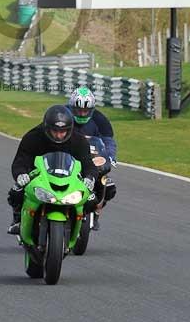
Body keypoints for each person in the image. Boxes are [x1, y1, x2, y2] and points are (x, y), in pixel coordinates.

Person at [7, 104, 98, 235]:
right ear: (46, 128)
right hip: (40, 178)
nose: (59, 135)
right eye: (55, 131)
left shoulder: (79, 141)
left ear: (69, 129)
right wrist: (21, 174)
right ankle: (18, 219)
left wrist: (90, 177)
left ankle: (81, 221)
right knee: (16, 192)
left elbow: (88, 164)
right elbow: (20, 160)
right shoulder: (33, 137)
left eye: (63, 131)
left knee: (91, 200)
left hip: (70, 179)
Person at [67, 87, 118, 230]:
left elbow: (109, 141)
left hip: (92, 160)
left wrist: (110, 157)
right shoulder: (62, 114)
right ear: (72, 107)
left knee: (109, 187)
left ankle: (96, 211)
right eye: (79, 110)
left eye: (86, 110)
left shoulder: (100, 120)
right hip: (67, 159)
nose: (82, 113)